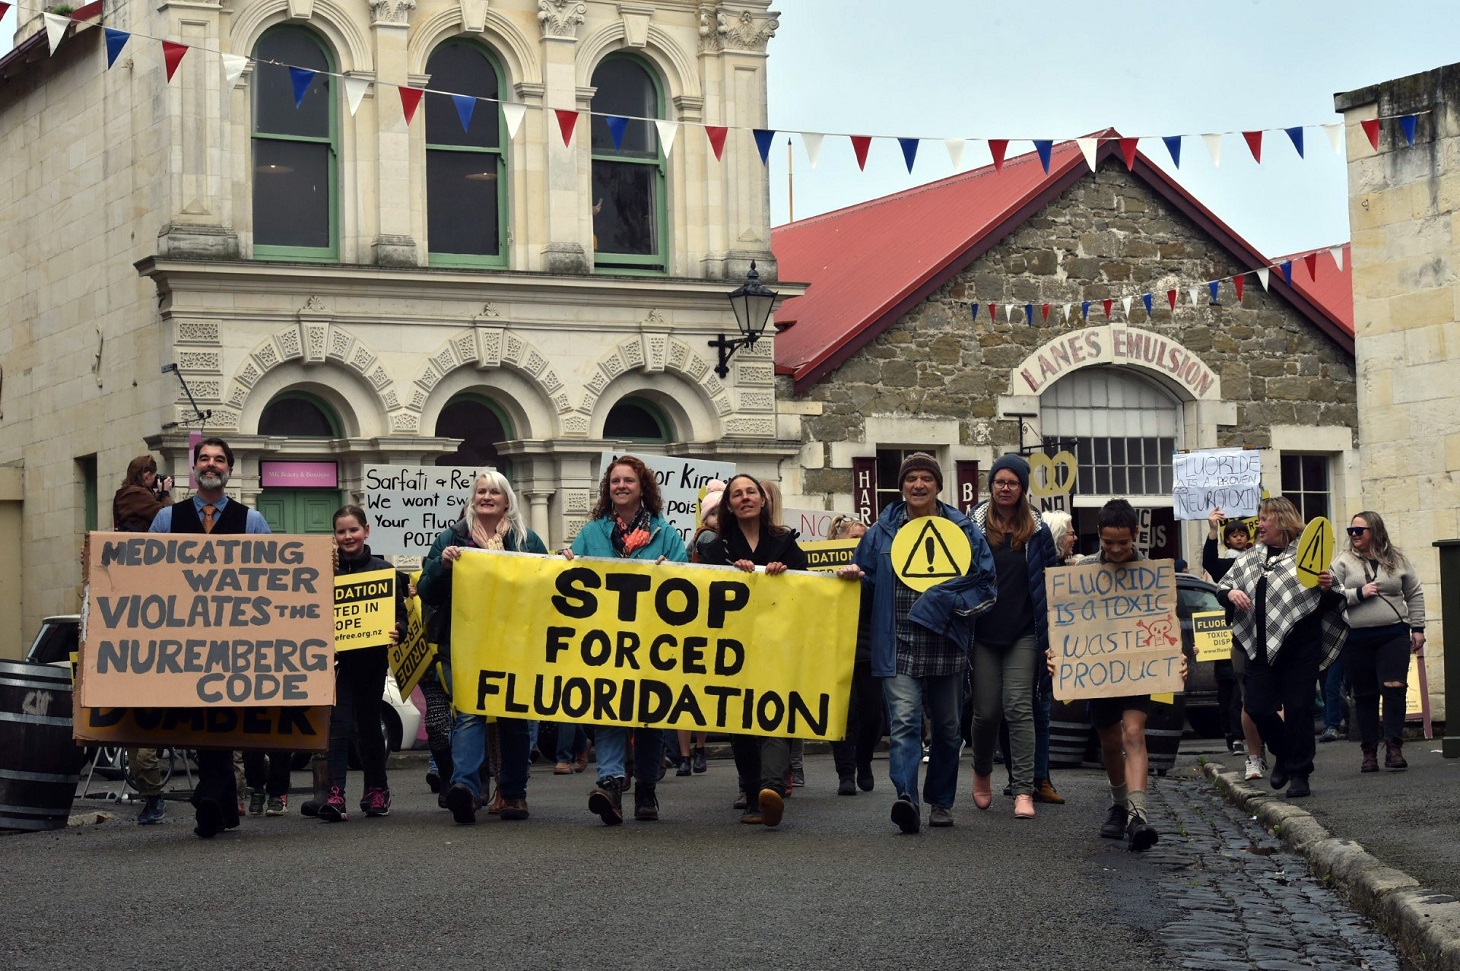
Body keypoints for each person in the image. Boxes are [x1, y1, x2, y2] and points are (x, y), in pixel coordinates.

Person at [837, 453, 996, 834]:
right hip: (898, 643)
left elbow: (986, 586)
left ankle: (940, 802)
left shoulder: (962, 529)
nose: (918, 485)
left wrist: (949, 604)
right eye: (911, 478)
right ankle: (906, 798)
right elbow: (868, 584)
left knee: (947, 728)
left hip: (947, 642)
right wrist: (854, 578)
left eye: (927, 478)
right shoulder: (880, 531)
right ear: (902, 485)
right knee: (905, 723)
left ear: (939, 485)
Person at [148, 437, 272, 839]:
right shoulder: (167, 520)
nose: (212, 464)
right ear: (194, 468)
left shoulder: (251, 521)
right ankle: (217, 804)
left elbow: (276, 580)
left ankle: (210, 798)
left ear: (230, 470)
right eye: (204, 458)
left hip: (236, 643)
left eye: (219, 460)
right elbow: (143, 575)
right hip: (182, 641)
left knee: (223, 718)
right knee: (199, 720)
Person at [564, 456, 689, 825]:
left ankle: (647, 787)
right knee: (607, 709)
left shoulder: (666, 535)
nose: (621, 486)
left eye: (628, 481)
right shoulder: (591, 533)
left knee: (650, 715)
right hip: (604, 641)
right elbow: (573, 574)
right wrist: (567, 562)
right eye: (615, 481)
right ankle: (611, 783)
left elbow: (689, 582)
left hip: (653, 641)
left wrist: (675, 572)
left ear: (642, 487)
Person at [418, 471, 548, 825]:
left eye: (495, 491)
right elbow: (427, 591)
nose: (487, 496)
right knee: (470, 713)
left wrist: (560, 563)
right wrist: (442, 566)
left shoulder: (526, 540)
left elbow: (547, 587)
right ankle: (464, 788)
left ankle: (514, 794)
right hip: (464, 644)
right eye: (481, 491)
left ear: (507, 500)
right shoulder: (451, 537)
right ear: (472, 499)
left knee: (514, 717)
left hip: (514, 644)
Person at [1063, 499, 1179, 851]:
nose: (1115, 549)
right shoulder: (1081, 573)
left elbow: (1167, 625)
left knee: (1133, 732)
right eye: (1108, 542)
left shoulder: (1153, 575)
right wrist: (1060, 656)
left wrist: (1178, 658)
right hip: (1099, 670)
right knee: (1110, 742)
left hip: (1140, 668)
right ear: (1098, 535)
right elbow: (1066, 627)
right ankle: (1117, 805)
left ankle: (1137, 814)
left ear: (1136, 536)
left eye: (1123, 543)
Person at [1216, 497, 1347, 800]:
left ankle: (1300, 773)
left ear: (1283, 522)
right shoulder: (1249, 558)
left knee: (1299, 710)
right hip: (1259, 648)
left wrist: (1326, 587)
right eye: (1259, 519)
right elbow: (1223, 586)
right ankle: (1284, 755)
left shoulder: (1308, 556)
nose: (1258, 525)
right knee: (1258, 707)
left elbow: (1332, 601)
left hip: (1301, 648)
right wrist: (1231, 593)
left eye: (1264, 519)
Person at [698, 473, 808, 827]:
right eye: (736, 494)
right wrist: (730, 575)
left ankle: (771, 789)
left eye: (750, 492)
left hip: (777, 645)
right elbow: (702, 595)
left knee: (774, 713)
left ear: (763, 499)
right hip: (735, 650)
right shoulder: (717, 548)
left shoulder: (786, 542)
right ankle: (750, 790)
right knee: (741, 720)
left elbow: (810, 589)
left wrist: (786, 573)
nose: (744, 498)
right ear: (728, 505)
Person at [967, 456, 1057, 820]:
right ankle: (983, 771)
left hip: (1025, 632)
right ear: (991, 486)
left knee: (1020, 707)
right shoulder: (970, 526)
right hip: (983, 631)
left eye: (1013, 483)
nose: (1005, 488)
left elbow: (1053, 582)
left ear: (1022, 488)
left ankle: (1023, 789)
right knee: (987, 712)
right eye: (999, 482)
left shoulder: (1038, 530)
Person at [316, 505, 408, 822]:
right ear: (335, 536)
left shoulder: (384, 570)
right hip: (336, 664)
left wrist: (399, 629)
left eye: (353, 529)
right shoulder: (325, 572)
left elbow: (401, 616)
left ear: (366, 531)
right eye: (341, 531)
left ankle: (377, 790)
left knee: (369, 727)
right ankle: (335, 794)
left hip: (371, 663)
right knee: (338, 728)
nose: (347, 536)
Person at [1331, 511, 1425, 773]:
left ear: (1375, 531)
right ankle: (1369, 752)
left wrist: (1417, 628)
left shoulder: (1396, 559)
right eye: (1351, 531)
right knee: (1365, 694)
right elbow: (1329, 596)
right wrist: (1358, 593)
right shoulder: (1343, 561)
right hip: (1356, 637)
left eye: (1359, 530)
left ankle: (1394, 746)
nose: (1354, 535)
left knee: (1394, 687)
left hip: (1393, 633)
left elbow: (1414, 592)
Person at [112, 453, 175, 826]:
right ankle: (152, 798)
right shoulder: (132, 496)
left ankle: (238, 793)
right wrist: (164, 494)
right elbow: (164, 517)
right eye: (152, 474)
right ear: (144, 474)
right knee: (143, 750)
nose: (155, 479)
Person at [825, 514, 881, 796]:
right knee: (844, 714)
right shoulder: (824, 571)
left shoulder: (874, 568)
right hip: (836, 648)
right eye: (854, 539)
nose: (860, 544)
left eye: (863, 539)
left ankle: (864, 758)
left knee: (873, 714)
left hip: (869, 648)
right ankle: (846, 773)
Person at [1204, 508, 1256, 755]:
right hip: (1240, 632)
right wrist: (1212, 531)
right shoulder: (1228, 562)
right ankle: (1239, 737)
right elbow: (1210, 564)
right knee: (1240, 688)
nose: (1238, 538)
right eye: (1233, 534)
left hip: (1263, 630)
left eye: (1242, 534)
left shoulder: (1257, 556)